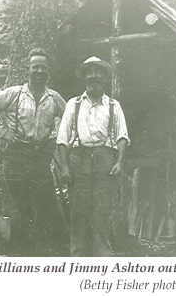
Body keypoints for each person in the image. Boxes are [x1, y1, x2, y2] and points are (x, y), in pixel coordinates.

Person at [0, 48, 68, 256]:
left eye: (43, 68)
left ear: (48, 71)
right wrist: (4, 132)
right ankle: (21, 257)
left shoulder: (55, 98)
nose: (39, 71)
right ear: (28, 69)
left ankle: (45, 256)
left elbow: (69, 120)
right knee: (18, 211)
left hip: (40, 160)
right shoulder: (14, 93)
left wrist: (55, 140)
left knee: (46, 210)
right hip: (16, 158)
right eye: (35, 67)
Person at [56, 56, 130, 256]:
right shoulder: (74, 104)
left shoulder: (114, 106)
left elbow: (122, 136)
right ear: (84, 78)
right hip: (78, 160)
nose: (93, 76)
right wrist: (64, 167)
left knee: (101, 213)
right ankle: (77, 256)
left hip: (105, 160)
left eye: (97, 72)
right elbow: (62, 139)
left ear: (104, 77)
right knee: (78, 213)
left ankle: (102, 257)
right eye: (89, 73)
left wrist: (119, 162)